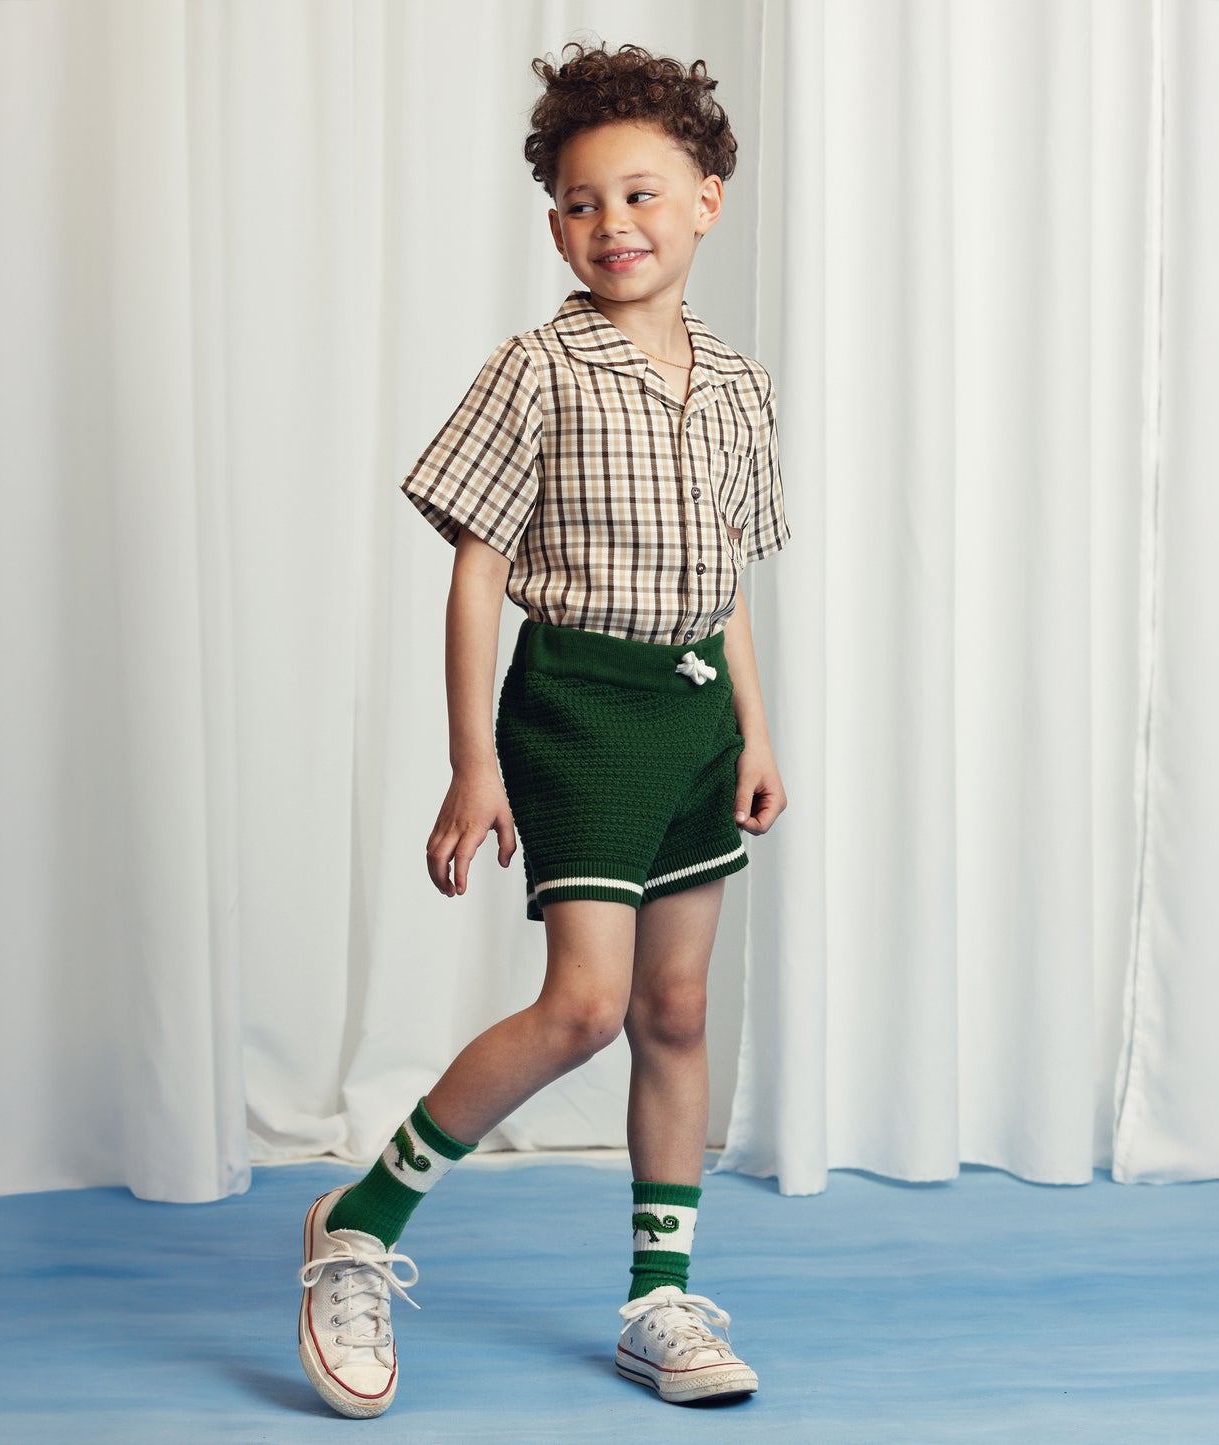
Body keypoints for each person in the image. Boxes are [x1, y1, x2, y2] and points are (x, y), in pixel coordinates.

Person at [297, 40, 790, 1419]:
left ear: (706, 196)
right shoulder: (533, 369)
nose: (610, 224)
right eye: (579, 202)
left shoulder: (740, 385)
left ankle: (657, 1297)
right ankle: (360, 1220)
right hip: (577, 706)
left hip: (695, 709)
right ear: (553, 221)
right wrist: (474, 763)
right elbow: (475, 569)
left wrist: (753, 730)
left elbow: (727, 578)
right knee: (583, 1004)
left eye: (640, 193)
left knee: (676, 1010)